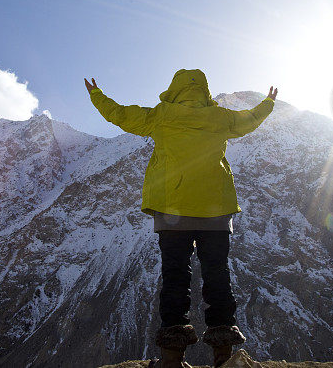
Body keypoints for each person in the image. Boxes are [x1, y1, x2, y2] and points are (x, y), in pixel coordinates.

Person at [85, 69, 277, 368]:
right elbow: (249, 120)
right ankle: (224, 355)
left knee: (176, 277)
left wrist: (97, 95)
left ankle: (172, 358)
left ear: (174, 89)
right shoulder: (221, 117)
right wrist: (268, 102)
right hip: (215, 209)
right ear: (204, 90)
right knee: (218, 276)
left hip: (172, 211)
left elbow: (119, 115)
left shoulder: (161, 115)